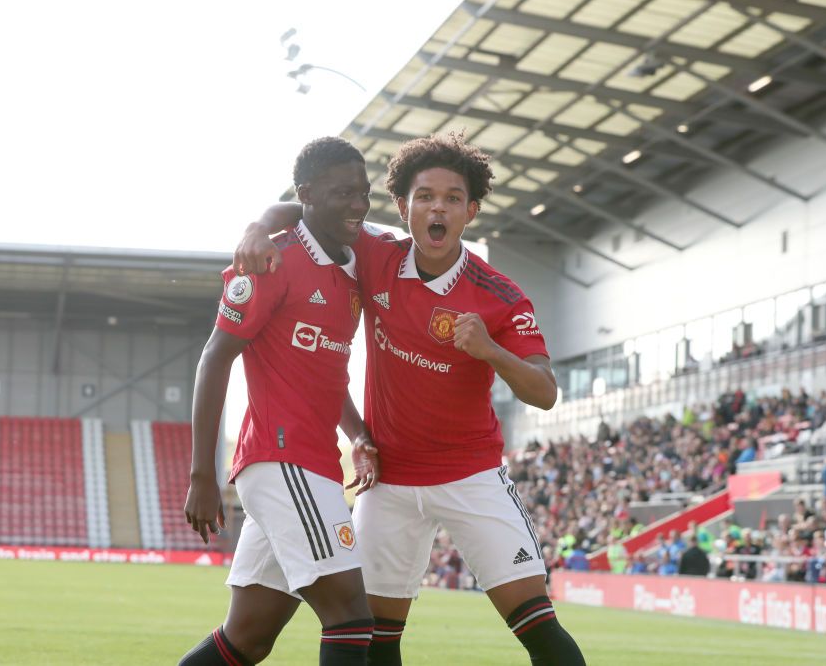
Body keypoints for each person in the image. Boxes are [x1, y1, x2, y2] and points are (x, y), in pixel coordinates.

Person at [233, 132, 586, 665]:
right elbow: (309, 209)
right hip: (390, 483)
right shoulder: (375, 252)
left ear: (470, 211)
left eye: (450, 198)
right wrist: (259, 226)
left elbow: (545, 392)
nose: (436, 207)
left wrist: (490, 351)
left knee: (537, 625)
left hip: (471, 476)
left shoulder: (500, 295)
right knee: (375, 638)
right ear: (404, 207)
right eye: (424, 196)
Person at [179, 137, 378, 666]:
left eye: (364, 192)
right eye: (343, 193)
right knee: (352, 618)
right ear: (308, 194)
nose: (358, 204)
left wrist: (358, 432)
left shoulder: (352, 262)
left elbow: (328, 371)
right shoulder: (271, 260)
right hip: (280, 458)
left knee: (245, 639)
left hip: (311, 464)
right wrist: (203, 472)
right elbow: (215, 357)